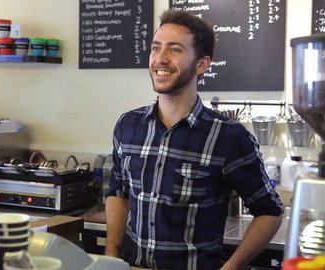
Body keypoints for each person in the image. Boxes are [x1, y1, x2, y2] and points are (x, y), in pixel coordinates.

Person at [104, 9, 283, 270]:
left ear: (202, 64)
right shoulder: (128, 125)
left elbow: (270, 212)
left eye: (174, 50)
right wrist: (111, 254)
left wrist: (231, 268)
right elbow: (118, 193)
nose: (160, 59)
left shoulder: (229, 137)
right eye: (156, 48)